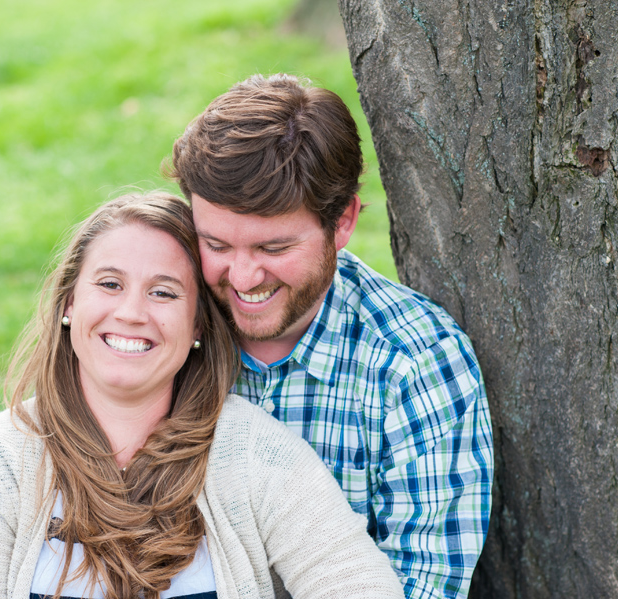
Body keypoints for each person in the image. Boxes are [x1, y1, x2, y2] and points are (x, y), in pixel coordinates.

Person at [0, 192, 404, 599]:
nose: (131, 312)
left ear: (196, 327)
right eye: (109, 284)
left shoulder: (256, 455)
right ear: (69, 303)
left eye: (163, 292)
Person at [168, 74, 494, 599]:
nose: (243, 278)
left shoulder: (417, 364)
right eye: (217, 244)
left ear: (342, 222)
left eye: (273, 248)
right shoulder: (159, 326)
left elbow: (421, 585)